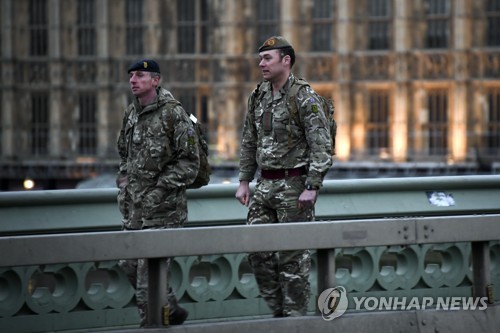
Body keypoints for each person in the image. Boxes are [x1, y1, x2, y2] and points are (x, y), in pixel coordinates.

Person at [235, 36, 333, 317]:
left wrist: (312, 186)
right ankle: (281, 315)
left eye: (267, 58)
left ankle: (295, 320)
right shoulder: (258, 96)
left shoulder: (305, 97)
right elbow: (249, 141)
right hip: (264, 187)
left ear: (286, 60)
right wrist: (244, 181)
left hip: (294, 188)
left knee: (292, 263)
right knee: (257, 253)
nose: (261, 63)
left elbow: (321, 146)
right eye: (260, 58)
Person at [116, 59, 199, 327]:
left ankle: (154, 325)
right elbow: (123, 153)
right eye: (131, 76)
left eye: (140, 75)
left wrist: (160, 189)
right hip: (134, 211)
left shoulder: (173, 114)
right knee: (127, 264)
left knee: (146, 287)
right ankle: (171, 308)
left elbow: (190, 163)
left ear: (155, 81)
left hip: (164, 212)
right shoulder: (131, 113)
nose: (133, 80)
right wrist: (124, 178)